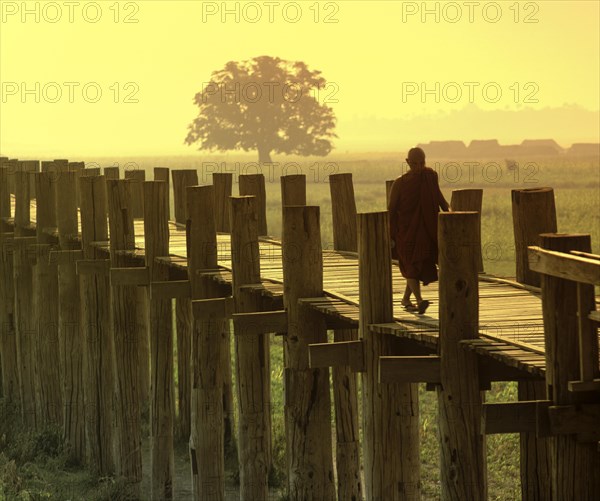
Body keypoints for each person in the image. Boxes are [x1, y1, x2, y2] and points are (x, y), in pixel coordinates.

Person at [388, 147, 450, 314]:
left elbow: (439, 198)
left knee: (416, 265)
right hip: (406, 232)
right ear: (407, 162)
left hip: (425, 230)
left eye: (422, 163)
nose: (419, 167)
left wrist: (452, 216)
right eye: (414, 163)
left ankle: (406, 299)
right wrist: (390, 235)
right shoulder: (400, 183)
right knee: (411, 264)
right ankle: (419, 300)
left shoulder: (430, 177)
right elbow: (391, 211)